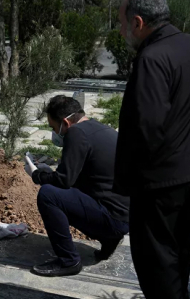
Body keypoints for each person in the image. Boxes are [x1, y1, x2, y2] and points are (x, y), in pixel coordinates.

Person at [114, 0, 190, 298]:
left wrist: (128, 179)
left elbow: (146, 127)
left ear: (138, 23)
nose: (121, 32)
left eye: (122, 24)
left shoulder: (152, 58)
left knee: (156, 265)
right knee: (178, 254)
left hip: (162, 183)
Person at [24, 95, 130, 277]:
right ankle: (108, 239)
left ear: (65, 122)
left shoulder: (76, 133)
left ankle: (68, 261)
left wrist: (36, 175)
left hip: (113, 218)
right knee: (63, 190)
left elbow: (64, 181)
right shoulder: (99, 128)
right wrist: (50, 173)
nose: (54, 132)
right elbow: (77, 177)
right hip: (125, 215)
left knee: (48, 194)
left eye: (53, 127)